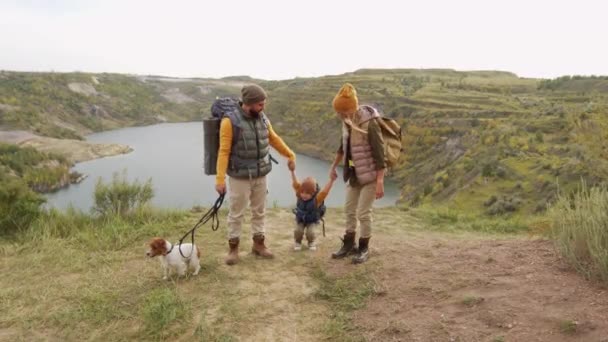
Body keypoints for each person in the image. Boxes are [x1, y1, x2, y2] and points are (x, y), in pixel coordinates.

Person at [215, 84, 296, 265]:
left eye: (264, 103)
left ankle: (258, 245)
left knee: (259, 211)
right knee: (236, 213)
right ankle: (233, 249)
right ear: (248, 103)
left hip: (261, 173)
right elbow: (223, 151)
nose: (263, 107)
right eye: (260, 104)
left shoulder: (263, 118)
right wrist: (220, 179)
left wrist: (290, 154)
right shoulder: (230, 121)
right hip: (239, 176)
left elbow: (274, 139)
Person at [328, 83, 386, 264]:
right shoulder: (346, 122)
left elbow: (380, 153)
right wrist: (333, 166)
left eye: (342, 112)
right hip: (354, 175)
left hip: (369, 175)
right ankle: (348, 245)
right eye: (338, 112)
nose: (339, 116)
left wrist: (380, 180)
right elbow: (342, 147)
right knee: (349, 210)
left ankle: (363, 248)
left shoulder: (370, 123)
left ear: (350, 108)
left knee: (363, 213)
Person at [289, 168, 337, 251]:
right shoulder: (299, 194)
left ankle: (311, 242)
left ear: (313, 193)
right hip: (300, 219)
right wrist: (292, 171)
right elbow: (295, 184)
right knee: (298, 230)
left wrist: (331, 181)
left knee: (310, 232)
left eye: (307, 193)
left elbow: (325, 192)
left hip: (312, 220)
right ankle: (298, 242)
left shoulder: (317, 200)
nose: (304, 195)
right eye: (302, 192)